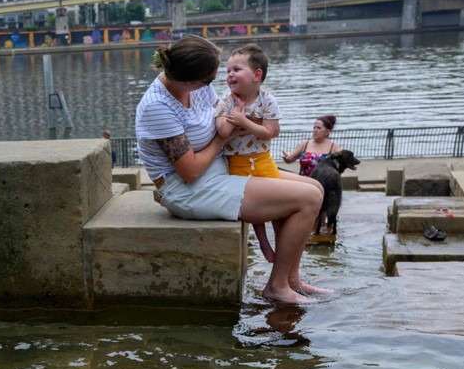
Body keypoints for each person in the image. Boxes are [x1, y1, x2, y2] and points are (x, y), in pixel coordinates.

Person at [134, 34, 325, 304]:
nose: (217, 83)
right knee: (308, 198)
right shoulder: (157, 107)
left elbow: (227, 116)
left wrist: (249, 121)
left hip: (219, 168)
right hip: (188, 188)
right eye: (210, 80)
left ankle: (292, 279)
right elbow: (190, 171)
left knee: (315, 186)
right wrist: (223, 137)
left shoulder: (197, 88)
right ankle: (277, 286)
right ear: (189, 79)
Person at [216, 43, 295, 263]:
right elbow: (222, 130)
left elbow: (269, 132)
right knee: (256, 209)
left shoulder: (267, 100)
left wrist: (243, 123)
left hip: (263, 159)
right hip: (237, 162)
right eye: (228, 70)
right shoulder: (226, 100)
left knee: (278, 204)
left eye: (237, 69)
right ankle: (263, 242)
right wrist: (240, 116)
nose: (230, 74)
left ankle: (282, 244)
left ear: (256, 75)